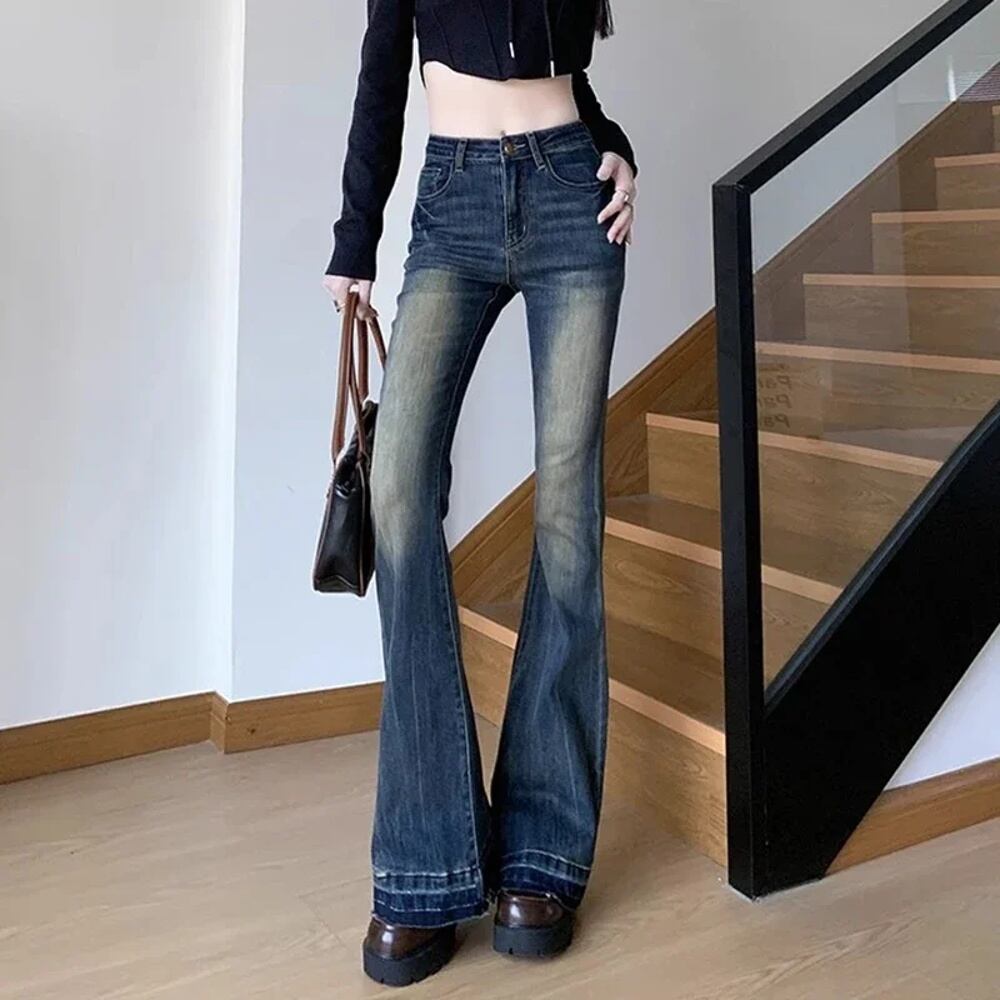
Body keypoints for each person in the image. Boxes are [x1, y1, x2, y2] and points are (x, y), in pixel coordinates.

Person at [322, 0, 636, 987]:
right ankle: (425, 863)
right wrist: (354, 240)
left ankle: (541, 852)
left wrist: (617, 148)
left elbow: (561, 72)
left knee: (567, 512)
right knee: (398, 488)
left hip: (571, 195)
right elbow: (384, 69)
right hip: (452, 199)